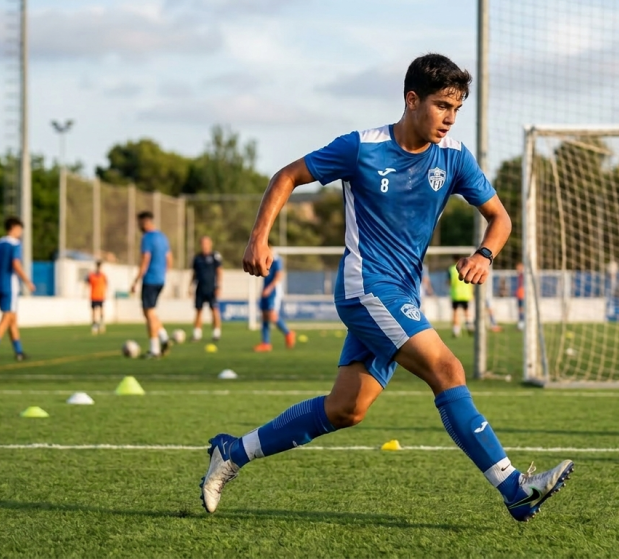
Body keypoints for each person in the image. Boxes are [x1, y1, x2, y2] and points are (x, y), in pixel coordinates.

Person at [200, 54, 572, 523]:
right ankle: (514, 487)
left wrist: (484, 254)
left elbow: (500, 218)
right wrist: (259, 237)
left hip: (400, 295)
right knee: (447, 369)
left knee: (346, 409)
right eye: (441, 106)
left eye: (456, 109)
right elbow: (287, 176)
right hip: (365, 287)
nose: (450, 118)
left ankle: (232, 452)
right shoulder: (361, 147)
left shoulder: (454, 157)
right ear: (411, 99)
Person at [0, 217, 35, 361]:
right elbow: (16, 264)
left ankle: (19, 352)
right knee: (7, 318)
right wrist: (27, 281)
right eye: (20, 229)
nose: (21, 233)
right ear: (14, 228)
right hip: (10, 285)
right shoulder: (15, 244)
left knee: (12, 319)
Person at [130, 211, 173, 359]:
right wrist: (163, 274)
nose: (138, 226)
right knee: (150, 311)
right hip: (160, 279)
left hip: (150, 279)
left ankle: (154, 349)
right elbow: (169, 259)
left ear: (145, 222)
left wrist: (136, 280)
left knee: (148, 313)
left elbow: (145, 260)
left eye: (139, 223)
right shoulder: (162, 237)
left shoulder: (147, 238)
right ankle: (163, 337)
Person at [253, 251, 295, 352]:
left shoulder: (276, 260)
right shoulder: (264, 258)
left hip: (273, 292)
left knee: (272, 315)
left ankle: (288, 333)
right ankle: (266, 343)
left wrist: (270, 288)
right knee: (264, 316)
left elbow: (279, 275)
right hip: (265, 290)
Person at [191, 236, 223, 343]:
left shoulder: (215, 256)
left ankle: (216, 333)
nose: (204, 245)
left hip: (211, 288)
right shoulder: (197, 258)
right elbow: (194, 274)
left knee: (214, 310)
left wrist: (218, 286)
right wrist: (190, 286)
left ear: (210, 244)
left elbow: (219, 271)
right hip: (200, 287)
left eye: (206, 243)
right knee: (198, 310)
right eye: (203, 243)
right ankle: (197, 334)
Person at [449, 254, 473, 337]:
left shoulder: (451, 270)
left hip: (456, 294)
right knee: (466, 311)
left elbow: (450, 283)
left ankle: (456, 331)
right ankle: (469, 327)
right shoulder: (466, 268)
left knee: (455, 312)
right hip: (465, 294)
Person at [87, 261, 107, 335]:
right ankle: (94, 325)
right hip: (93, 296)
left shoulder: (103, 276)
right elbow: (87, 283)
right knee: (94, 311)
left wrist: (105, 293)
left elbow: (106, 284)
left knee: (101, 310)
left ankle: (101, 323)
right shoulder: (91, 275)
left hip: (101, 295)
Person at [516, 262, 525, 330]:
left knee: (522, 309)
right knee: (520, 309)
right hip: (519, 295)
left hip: (523, 295)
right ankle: (521, 323)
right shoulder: (519, 275)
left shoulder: (523, 275)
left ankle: (522, 323)